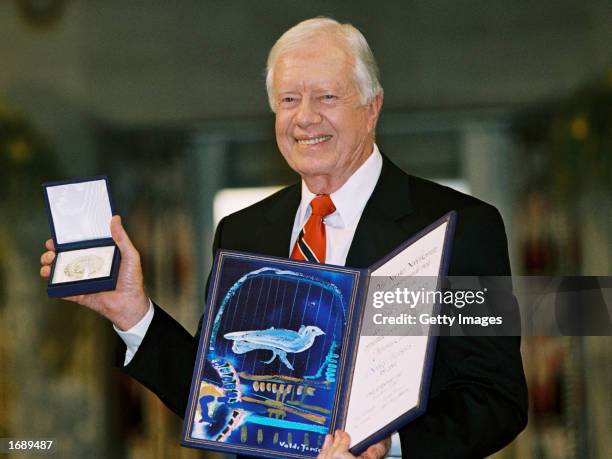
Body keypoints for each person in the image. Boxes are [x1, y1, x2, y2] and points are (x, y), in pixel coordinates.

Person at [40, 17, 527, 459]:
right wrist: (132, 312)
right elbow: (221, 387)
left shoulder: (460, 225)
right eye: (289, 100)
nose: (305, 117)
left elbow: (495, 399)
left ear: (373, 107)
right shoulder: (245, 230)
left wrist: (391, 446)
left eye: (327, 97)